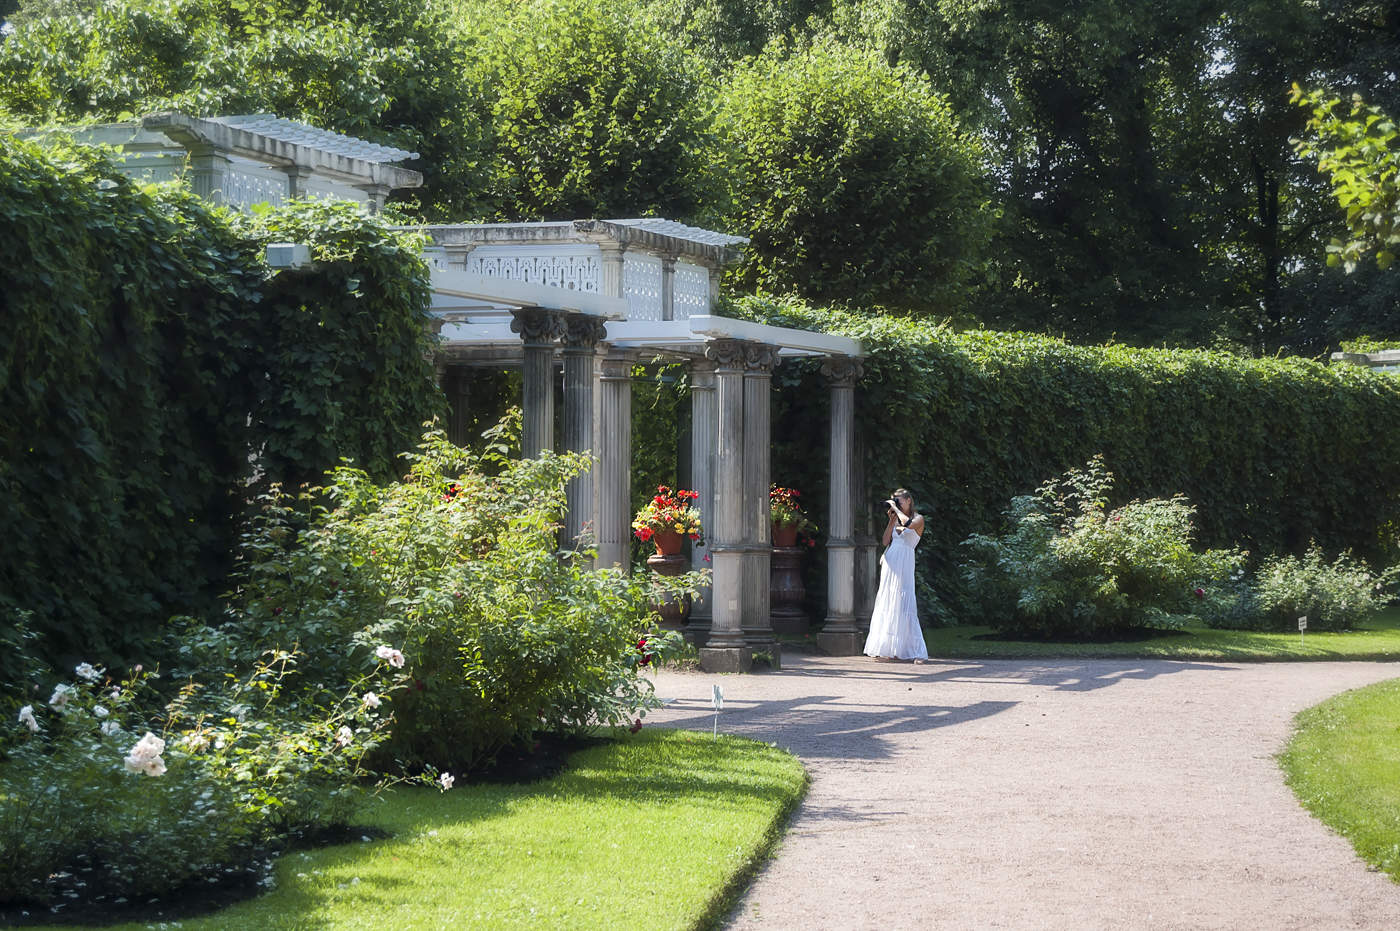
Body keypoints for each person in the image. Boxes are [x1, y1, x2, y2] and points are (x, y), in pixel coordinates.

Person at [863, 488, 929, 663]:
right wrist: (891, 522)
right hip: (890, 565)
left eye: (899, 501)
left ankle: (917, 651)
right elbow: (885, 541)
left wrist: (897, 510)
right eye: (894, 501)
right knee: (889, 603)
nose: (896, 504)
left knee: (906, 604)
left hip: (905, 564)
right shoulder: (896, 519)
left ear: (908, 500)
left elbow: (907, 523)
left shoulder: (918, 519)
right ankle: (888, 649)